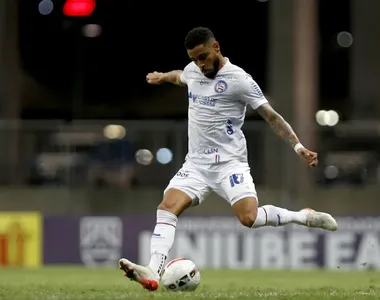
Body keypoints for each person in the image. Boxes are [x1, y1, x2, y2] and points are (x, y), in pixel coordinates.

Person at [119, 27, 337, 291]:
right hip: (196, 165)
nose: (199, 64)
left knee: (249, 219)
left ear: (216, 48)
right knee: (167, 208)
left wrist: (298, 146)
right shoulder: (193, 71)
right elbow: (181, 77)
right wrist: (164, 76)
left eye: (203, 57)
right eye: (194, 59)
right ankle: (153, 271)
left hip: (229, 164)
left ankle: (302, 217)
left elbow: (272, 116)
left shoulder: (239, 79)